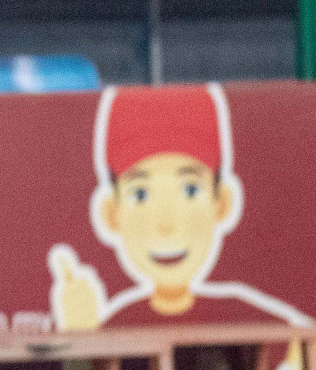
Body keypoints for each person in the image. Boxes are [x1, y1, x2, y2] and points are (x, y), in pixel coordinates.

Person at [48, 83, 312, 329]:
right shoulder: (117, 328)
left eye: (190, 190)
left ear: (221, 203)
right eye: (140, 195)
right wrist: (81, 335)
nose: (166, 223)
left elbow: (299, 358)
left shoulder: (248, 320)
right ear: (111, 214)